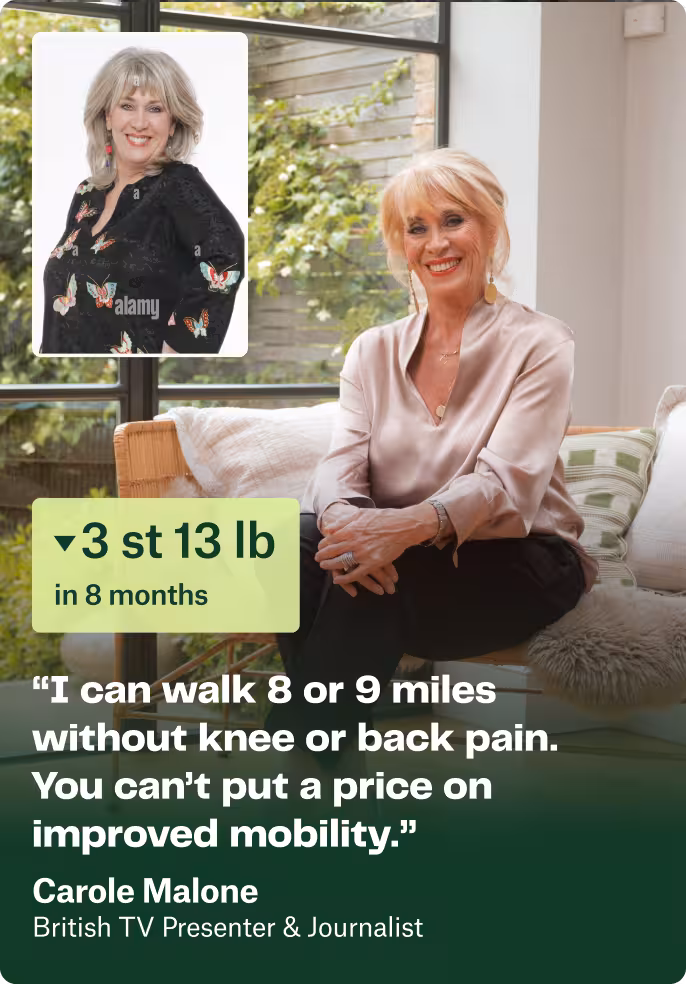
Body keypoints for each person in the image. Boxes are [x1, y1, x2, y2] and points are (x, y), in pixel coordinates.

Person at [266, 148, 597, 755]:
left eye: (453, 220)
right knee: (298, 543)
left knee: (370, 579)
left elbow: (506, 485)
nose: (435, 242)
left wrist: (400, 530)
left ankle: (305, 777)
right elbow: (340, 466)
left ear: (490, 228)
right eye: (416, 228)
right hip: (401, 552)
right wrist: (350, 527)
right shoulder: (371, 350)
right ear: (401, 245)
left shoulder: (543, 343)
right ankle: (328, 770)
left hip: (521, 556)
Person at [41, 47, 244, 356]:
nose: (139, 122)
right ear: (108, 116)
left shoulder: (178, 185)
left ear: (173, 123)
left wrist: (175, 353)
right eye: (127, 105)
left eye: (155, 109)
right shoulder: (87, 194)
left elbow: (227, 254)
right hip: (65, 383)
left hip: (126, 387)